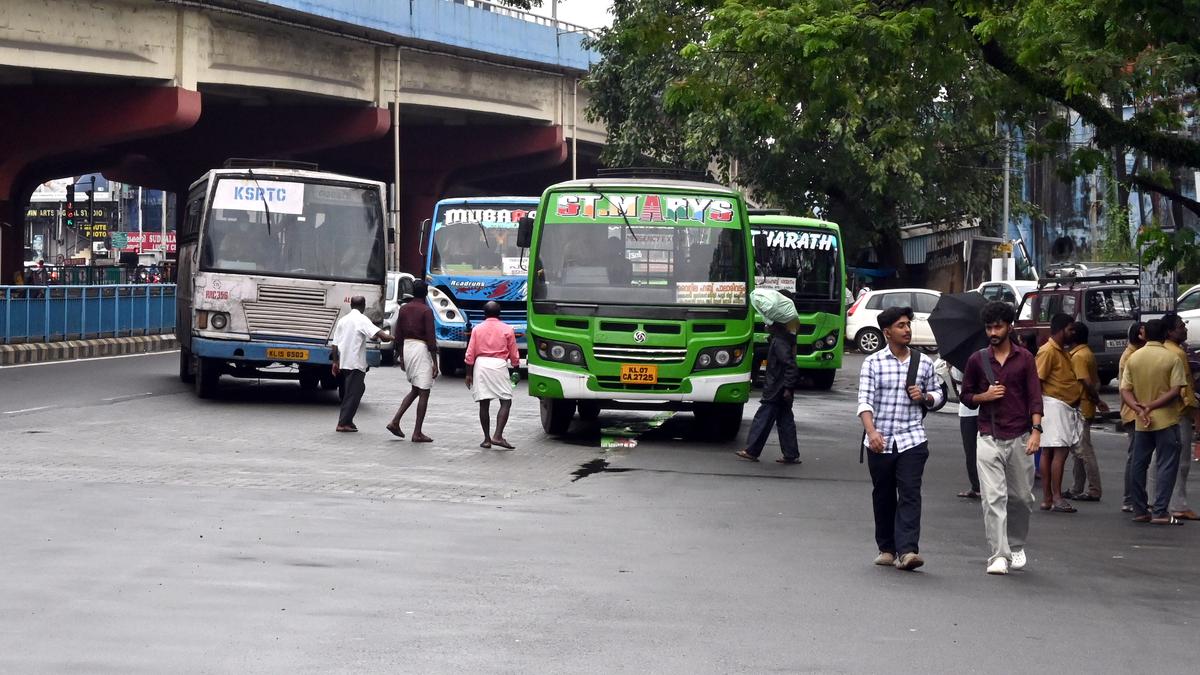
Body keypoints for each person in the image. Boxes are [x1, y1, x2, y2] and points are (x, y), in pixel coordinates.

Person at [857, 305, 944, 571]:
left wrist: (926, 397)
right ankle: (886, 548)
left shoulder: (923, 362)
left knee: (910, 493)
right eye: (901, 326)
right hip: (879, 441)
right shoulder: (873, 362)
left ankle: (907, 551)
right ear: (887, 332)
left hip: (912, 439)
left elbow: (939, 394)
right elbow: (864, 402)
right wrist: (871, 433)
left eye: (908, 324)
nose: (907, 330)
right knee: (883, 494)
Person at [961, 301, 1043, 575]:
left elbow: (1035, 397)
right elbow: (966, 396)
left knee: (1021, 497)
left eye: (998, 326)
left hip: (1020, 436)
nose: (993, 332)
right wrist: (984, 396)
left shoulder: (1025, 359)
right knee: (992, 498)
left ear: (1009, 327)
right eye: (989, 327)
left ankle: (1016, 545)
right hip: (987, 436)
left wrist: (1036, 431)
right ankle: (998, 554)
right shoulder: (977, 360)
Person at [1120, 319, 1187, 525]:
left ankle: (1140, 509)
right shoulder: (1172, 358)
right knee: (1166, 465)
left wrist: (1139, 408)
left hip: (1141, 421)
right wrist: (1153, 405)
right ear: (1166, 334)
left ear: (1145, 335)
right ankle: (1160, 511)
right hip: (1166, 419)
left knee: (1139, 464)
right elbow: (1176, 390)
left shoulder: (1134, 358)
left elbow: (1124, 390)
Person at [736, 317, 801, 464]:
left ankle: (751, 451)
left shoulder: (779, 343)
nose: (765, 326)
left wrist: (787, 388)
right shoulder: (781, 340)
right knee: (785, 420)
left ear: (775, 326)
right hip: (782, 388)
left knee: (763, 419)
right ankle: (791, 453)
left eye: (768, 324)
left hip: (776, 389)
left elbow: (790, 366)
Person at [1035, 313, 1083, 513]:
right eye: (1071, 329)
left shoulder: (1060, 351)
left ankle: (1049, 498)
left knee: (1050, 452)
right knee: (1058, 453)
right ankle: (1055, 497)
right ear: (1061, 329)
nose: (1073, 333)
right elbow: (1037, 381)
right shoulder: (1048, 351)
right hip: (1055, 406)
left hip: (1061, 406)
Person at [330, 296, 393, 433]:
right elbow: (382, 335)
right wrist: (397, 338)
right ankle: (342, 423)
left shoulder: (343, 320)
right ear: (363, 306)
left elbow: (334, 344)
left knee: (356, 390)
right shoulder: (362, 319)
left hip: (344, 362)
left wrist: (335, 362)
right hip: (355, 363)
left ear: (351, 305)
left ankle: (348, 420)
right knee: (352, 393)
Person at [464, 301, 520, 450]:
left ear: (484, 313)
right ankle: (498, 435)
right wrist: (516, 368)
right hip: (499, 364)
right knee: (506, 400)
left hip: (481, 365)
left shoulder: (477, 329)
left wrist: (468, 374)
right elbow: (514, 352)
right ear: (499, 313)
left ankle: (487, 439)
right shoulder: (507, 329)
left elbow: (470, 353)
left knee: (484, 402)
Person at [387, 280, 439, 443]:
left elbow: (399, 335)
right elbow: (431, 338)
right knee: (424, 391)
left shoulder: (404, 309)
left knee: (415, 389)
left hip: (407, 348)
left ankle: (395, 421)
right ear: (426, 294)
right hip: (420, 348)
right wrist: (435, 362)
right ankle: (417, 432)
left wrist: (401, 356)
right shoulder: (426, 311)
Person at [1064, 322, 1108, 502]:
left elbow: (1087, 382)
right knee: (1078, 450)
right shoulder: (1085, 353)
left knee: (1084, 451)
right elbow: (1095, 382)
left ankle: (1094, 489)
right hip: (1084, 405)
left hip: (1080, 406)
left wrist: (1096, 401)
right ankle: (1077, 487)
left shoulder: (1079, 356)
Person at [1163, 314, 1199, 521]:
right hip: (1179, 412)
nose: (1184, 329)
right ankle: (1179, 503)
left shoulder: (1157, 351)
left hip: (1157, 411)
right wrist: (1194, 411)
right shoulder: (1178, 353)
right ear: (1169, 332)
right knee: (1182, 461)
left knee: (1161, 459)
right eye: (1180, 327)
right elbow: (1185, 388)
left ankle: (1159, 501)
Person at [1120, 322, 1147, 513]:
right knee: (1136, 457)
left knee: (1136, 456)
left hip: (1133, 410)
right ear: (1140, 336)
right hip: (1134, 411)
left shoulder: (1132, 354)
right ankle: (1130, 498)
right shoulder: (1132, 357)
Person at [947, 364, 982, 500]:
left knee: (971, 450)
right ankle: (982, 486)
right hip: (985, 410)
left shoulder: (965, 362)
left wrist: (950, 367)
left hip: (969, 411)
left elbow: (958, 378)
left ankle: (977, 487)